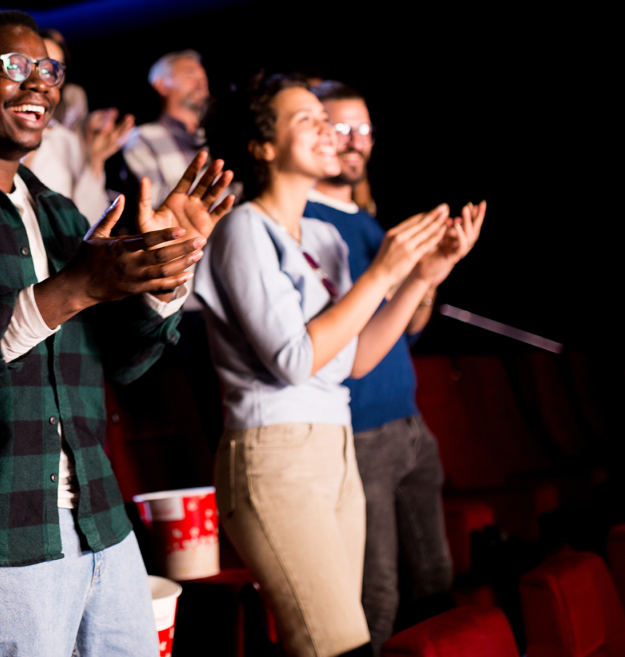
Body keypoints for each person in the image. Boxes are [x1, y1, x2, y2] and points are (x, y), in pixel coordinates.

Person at [0, 9, 235, 657]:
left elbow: (122, 362)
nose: (40, 83)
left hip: (101, 524)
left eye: (50, 70)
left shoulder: (61, 212)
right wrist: (72, 287)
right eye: (17, 66)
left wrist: (167, 276)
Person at [195, 73, 484, 657]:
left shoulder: (323, 234)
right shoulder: (243, 227)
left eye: (326, 120)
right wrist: (382, 272)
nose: (329, 131)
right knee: (336, 644)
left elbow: (357, 357)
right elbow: (294, 360)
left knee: (348, 635)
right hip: (274, 454)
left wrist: (421, 278)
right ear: (262, 146)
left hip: (336, 445)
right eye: (308, 119)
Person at [304, 80, 485, 654]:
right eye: (341, 127)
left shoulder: (368, 220)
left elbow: (407, 327)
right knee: (377, 597)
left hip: (409, 425)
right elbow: (334, 347)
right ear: (313, 133)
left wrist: (431, 275)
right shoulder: (302, 221)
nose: (355, 141)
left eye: (364, 129)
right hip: (359, 432)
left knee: (436, 584)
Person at [23, 30, 133, 223]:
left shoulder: (65, 140)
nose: (40, 82)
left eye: (52, 70)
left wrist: (96, 160)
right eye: (32, 64)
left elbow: (88, 221)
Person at [122, 49, 213, 204]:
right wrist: (216, 177)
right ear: (162, 85)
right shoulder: (142, 138)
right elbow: (154, 202)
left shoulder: (212, 134)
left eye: (203, 77)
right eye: (190, 74)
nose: (201, 83)